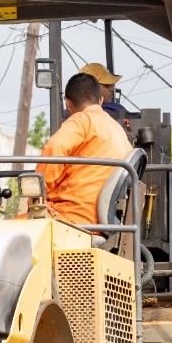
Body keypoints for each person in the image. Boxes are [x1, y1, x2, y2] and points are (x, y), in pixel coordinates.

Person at [36, 72, 133, 229]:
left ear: (68, 103)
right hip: (106, 221)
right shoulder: (117, 129)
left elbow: (54, 148)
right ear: (100, 101)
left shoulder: (81, 120)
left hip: (73, 216)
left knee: (11, 231)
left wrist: (37, 196)